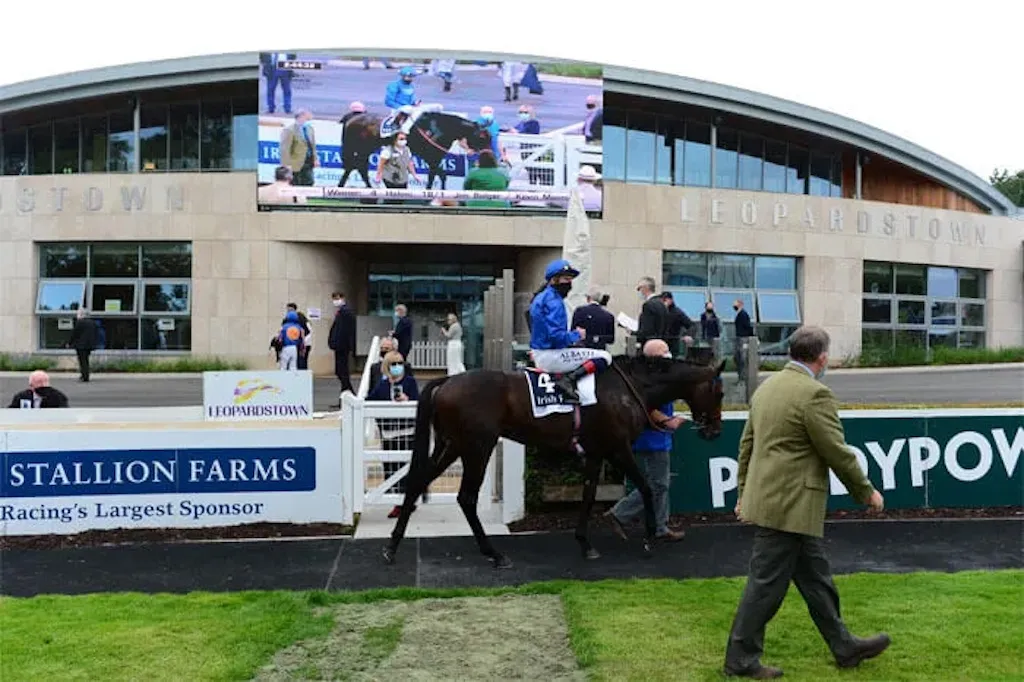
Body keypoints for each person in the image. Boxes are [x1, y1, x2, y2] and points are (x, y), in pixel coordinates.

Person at [724, 325, 889, 679]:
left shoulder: (766, 388)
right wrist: (866, 491)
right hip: (790, 505)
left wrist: (743, 494)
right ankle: (740, 660)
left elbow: (747, 446)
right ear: (822, 358)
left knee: (817, 580)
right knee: (765, 586)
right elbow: (837, 452)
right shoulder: (815, 394)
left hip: (780, 504)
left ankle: (844, 646)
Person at [604, 339, 686, 542]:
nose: (669, 356)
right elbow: (646, 406)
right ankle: (620, 514)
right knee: (658, 484)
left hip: (654, 436)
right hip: (653, 438)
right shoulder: (649, 380)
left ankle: (659, 526)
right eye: (664, 352)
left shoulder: (649, 377)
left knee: (659, 483)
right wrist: (668, 421)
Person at [528, 259, 612, 404]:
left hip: (540, 353)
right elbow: (556, 337)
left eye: (570, 279)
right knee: (605, 356)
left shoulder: (541, 297)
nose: (569, 283)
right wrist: (577, 335)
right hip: (550, 356)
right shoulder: (554, 301)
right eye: (566, 279)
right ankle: (568, 380)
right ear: (554, 280)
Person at [367, 350, 421, 519]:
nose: (397, 367)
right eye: (394, 364)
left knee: (407, 468)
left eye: (400, 363)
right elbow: (369, 401)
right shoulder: (382, 385)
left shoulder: (410, 382)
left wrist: (407, 400)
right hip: (389, 433)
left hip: (407, 432)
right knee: (390, 468)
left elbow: (419, 401)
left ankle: (405, 503)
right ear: (387, 366)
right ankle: (397, 500)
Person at [328, 292, 357, 403]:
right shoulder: (341, 312)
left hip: (342, 346)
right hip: (339, 346)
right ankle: (346, 395)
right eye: (334, 299)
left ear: (343, 298)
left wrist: (349, 345)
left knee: (342, 371)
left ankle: (348, 394)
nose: (335, 301)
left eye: (337, 298)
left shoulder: (346, 312)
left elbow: (347, 331)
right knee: (340, 371)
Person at [279, 110, 318, 186]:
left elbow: (312, 146)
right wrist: (286, 165)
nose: (309, 120)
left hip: (308, 161)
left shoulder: (310, 129)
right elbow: (284, 149)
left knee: (309, 182)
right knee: (296, 184)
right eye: (307, 117)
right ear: (301, 117)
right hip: (295, 163)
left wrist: (315, 159)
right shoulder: (289, 130)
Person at [636, 276, 667, 350]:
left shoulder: (648, 305)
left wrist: (633, 333)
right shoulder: (661, 303)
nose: (639, 291)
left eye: (640, 288)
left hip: (650, 346)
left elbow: (647, 330)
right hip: (661, 344)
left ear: (645, 288)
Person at [66, 308, 97, 382]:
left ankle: (84, 376)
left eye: (78, 314)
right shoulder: (92, 323)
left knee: (82, 361)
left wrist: (69, 343)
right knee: (86, 360)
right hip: (89, 345)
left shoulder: (80, 322)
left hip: (81, 345)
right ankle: (85, 375)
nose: (77, 315)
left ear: (81, 315)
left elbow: (74, 334)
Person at [660, 292, 694, 357]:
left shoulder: (677, 312)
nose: (664, 302)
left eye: (665, 300)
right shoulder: (659, 311)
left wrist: (688, 335)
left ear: (671, 300)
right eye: (663, 300)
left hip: (673, 344)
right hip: (660, 344)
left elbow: (691, 325)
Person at [282, 303, 312, 370]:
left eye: (290, 310)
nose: (288, 311)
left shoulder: (301, 318)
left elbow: (307, 331)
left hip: (301, 344)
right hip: (297, 344)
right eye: (288, 310)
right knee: (297, 363)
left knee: (300, 363)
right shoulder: (287, 320)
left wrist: (303, 343)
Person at [733, 298, 755, 381]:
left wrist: (751, 336)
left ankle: (744, 377)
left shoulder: (743, 314)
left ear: (740, 304)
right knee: (738, 358)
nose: (734, 306)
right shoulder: (739, 314)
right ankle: (741, 376)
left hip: (743, 338)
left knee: (743, 358)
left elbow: (748, 326)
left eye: (735, 304)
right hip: (739, 338)